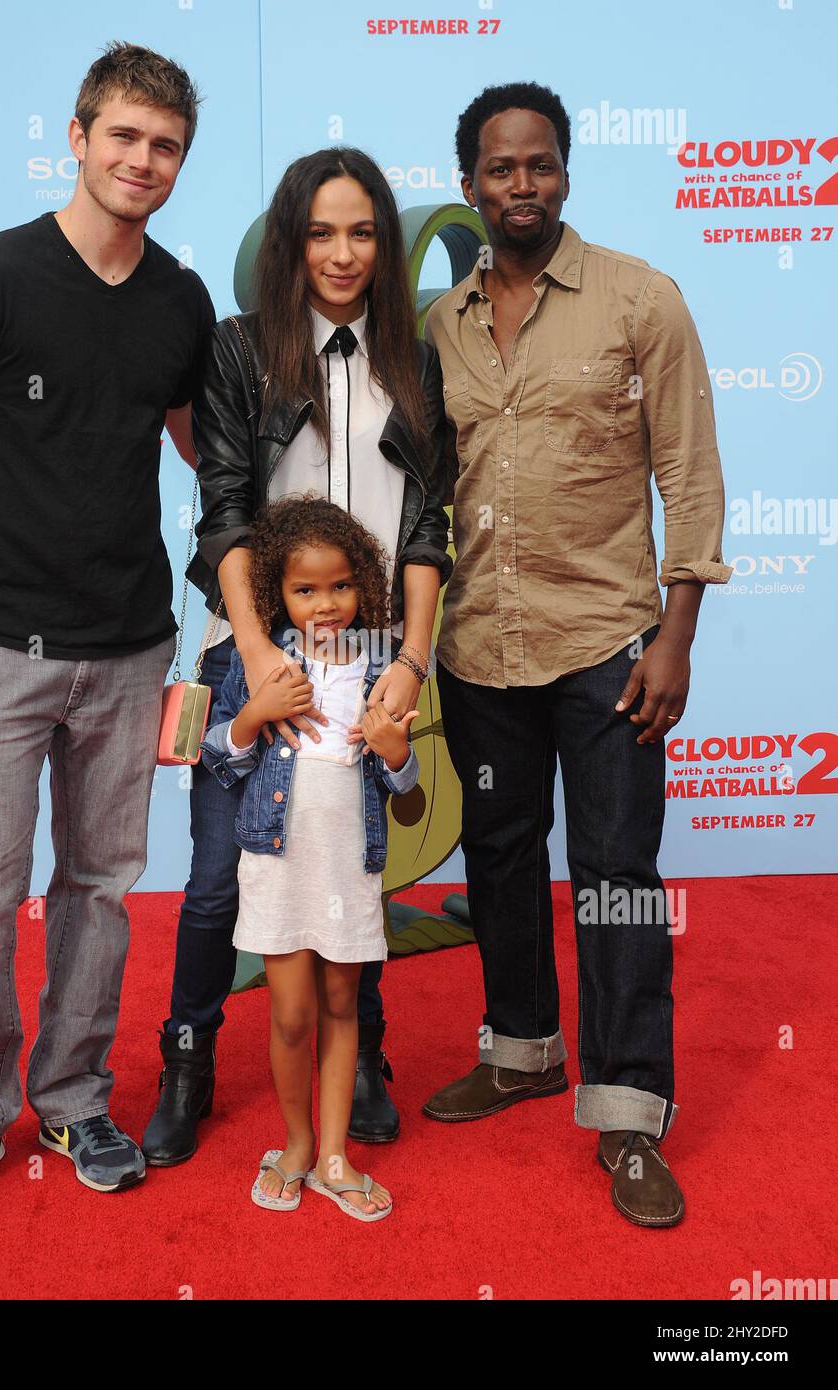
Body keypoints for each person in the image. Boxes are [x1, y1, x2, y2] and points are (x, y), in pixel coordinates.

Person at [0, 42, 215, 1223]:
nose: (142, 160)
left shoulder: (181, 299)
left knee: (99, 889)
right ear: (77, 137)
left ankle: (74, 1095)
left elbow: (199, 450)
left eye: (165, 145)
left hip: (132, 650)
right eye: (123, 136)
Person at [421, 82, 731, 1228]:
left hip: (606, 644)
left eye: (540, 164)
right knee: (499, 856)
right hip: (477, 649)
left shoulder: (638, 300)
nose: (521, 185)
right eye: (500, 168)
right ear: (468, 184)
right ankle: (521, 1049)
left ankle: (629, 1109)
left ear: (565, 173)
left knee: (614, 881)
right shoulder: (443, 325)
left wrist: (675, 637)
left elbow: (688, 475)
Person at [141, 147, 451, 1166]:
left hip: (369, 656)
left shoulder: (413, 357)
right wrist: (260, 653)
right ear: (290, 241)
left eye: (363, 231)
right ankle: (187, 1054)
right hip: (254, 650)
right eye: (321, 231)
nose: (343, 252)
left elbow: (424, 527)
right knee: (218, 880)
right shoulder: (239, 350)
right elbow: (223, 510)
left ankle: (361, 1058)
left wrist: (407, 659)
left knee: (352, 871)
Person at [201, 496, 418, 1220]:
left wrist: (395, 755)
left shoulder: (386, 667)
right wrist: (253, 717)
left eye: (341, 586)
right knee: (290, 1013)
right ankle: (294, 1144)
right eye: (304, 589)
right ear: (277, 593)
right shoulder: (259, 659)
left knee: (340, 1003)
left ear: (365, 586)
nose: (325, 605)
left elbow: (408, 792)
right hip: (277, 861)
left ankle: (332, 1155)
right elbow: (220, 760)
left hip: (349, 863)